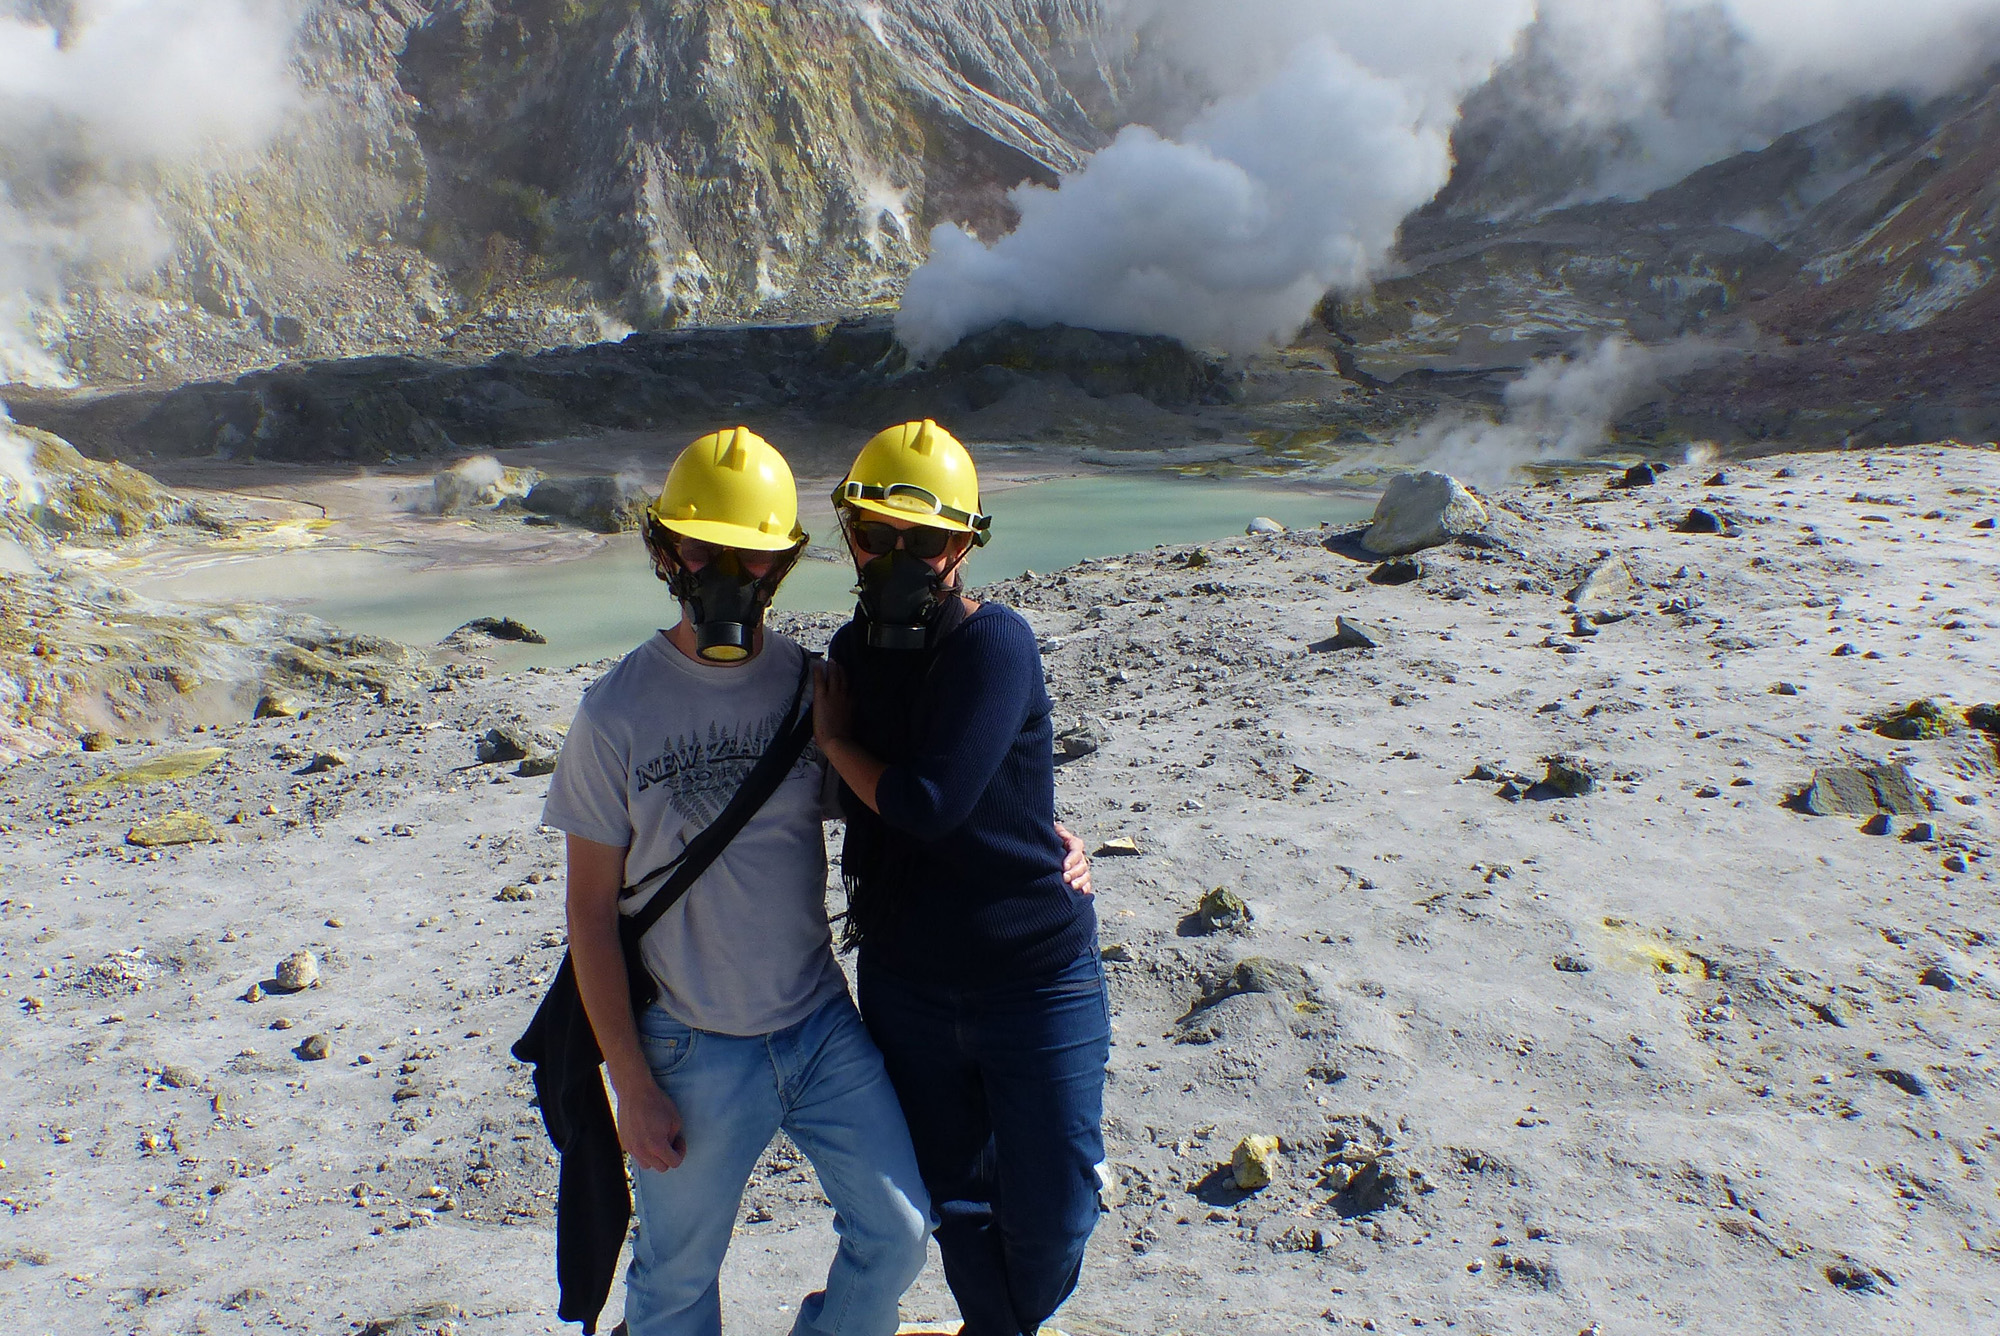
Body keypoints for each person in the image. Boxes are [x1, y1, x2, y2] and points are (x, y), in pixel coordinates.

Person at [541, 426, 931, 1336]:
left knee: (902, 1230)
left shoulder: (812, 687)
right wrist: (634, 1084)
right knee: (675, 1282)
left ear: (779, 565)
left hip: (819, 1026)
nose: (726, 572)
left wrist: (1030, 832)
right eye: (703, 550)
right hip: (691, 1046)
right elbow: (591, 918)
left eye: (749, 556)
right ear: (668, 551)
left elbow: (908, 800)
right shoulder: (615, 713)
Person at [812, 420, 1112, 1336]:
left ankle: (1004, 1323)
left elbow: (931, 800)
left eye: (927, 541)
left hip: (1034, 978)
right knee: (957, 1200)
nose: (899, 558)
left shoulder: (997, 645)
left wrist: (834, 741)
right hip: (909, 981)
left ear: (965, 547)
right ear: (850, 538)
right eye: (878, 536)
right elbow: (825, 798)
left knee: (1057, 1210)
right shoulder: (851, 659)